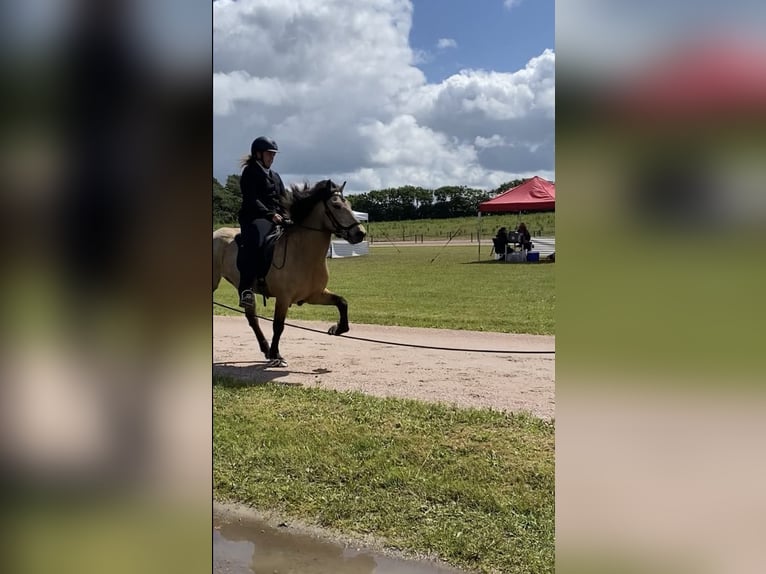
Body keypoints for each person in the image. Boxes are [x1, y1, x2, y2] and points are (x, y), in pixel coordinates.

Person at [236, 136, 288, 310]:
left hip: (276, 218)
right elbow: (252, 199)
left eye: (274, 155)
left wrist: (287, 214)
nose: (272, 158)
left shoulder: (275, 176)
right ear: (258, 154)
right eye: (269, 154)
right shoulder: (250, 172)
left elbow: (283, 198)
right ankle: (246, 290)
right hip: (253, 218)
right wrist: (270, 214)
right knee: (253, 244)